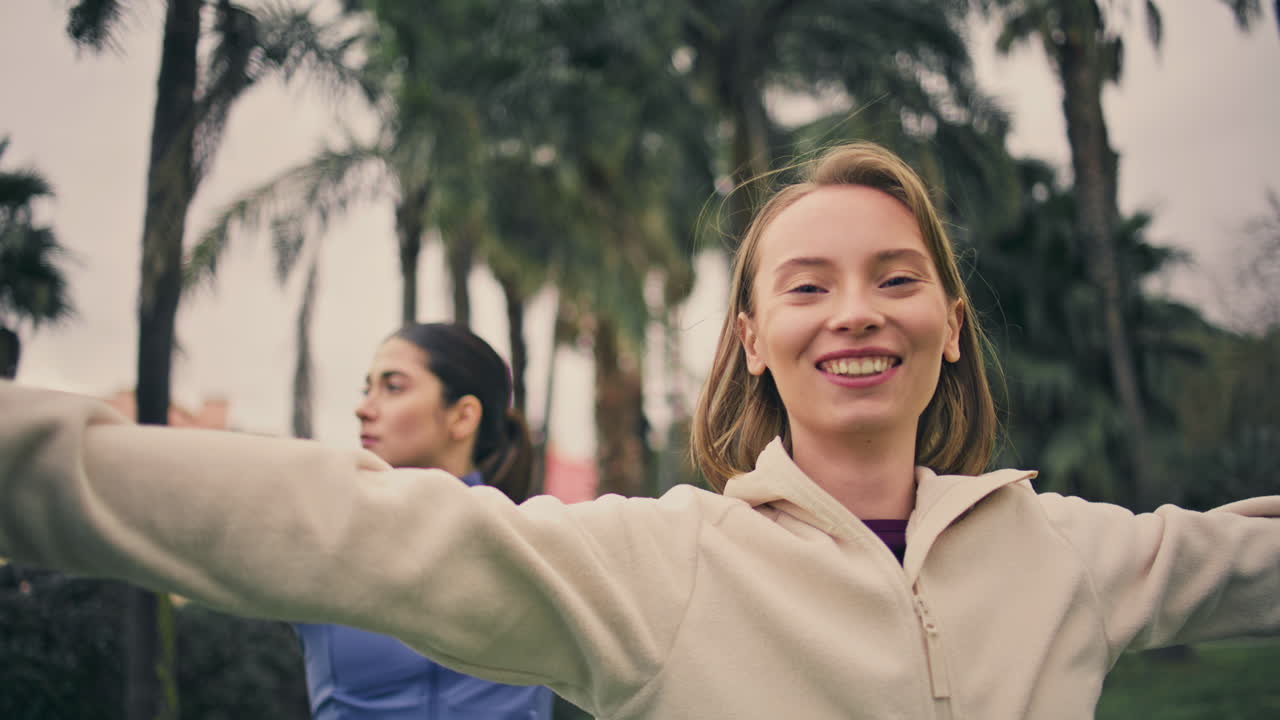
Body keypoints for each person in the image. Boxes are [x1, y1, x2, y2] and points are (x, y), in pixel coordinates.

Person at [0, 142, 1276, 719]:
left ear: (948, 321)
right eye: (805, 284)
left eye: (895, 278)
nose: (855, 314)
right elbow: (329, 525)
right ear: (748, 340)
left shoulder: (1065, 550)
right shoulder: (663, 568)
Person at [293, 323, 553, 719]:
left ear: (463, 417)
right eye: (368, 389)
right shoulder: (326, 540)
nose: (363, 408)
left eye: (393, 387)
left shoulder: (537, 549)